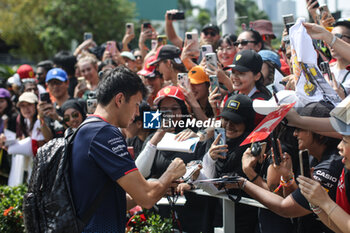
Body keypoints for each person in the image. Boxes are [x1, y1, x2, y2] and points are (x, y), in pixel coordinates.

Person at [70, 66, 186, 232]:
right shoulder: (105, 133)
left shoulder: (87, 129)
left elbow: (115, 201)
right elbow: (146, 198)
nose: (137, 112)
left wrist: (159, 185)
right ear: (119, 99)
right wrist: (171, 173)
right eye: (136, 104)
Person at [224, 102, 343, 233]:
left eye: (300, 129)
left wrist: (243, 182)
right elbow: (292, 198)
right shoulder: (310, 155)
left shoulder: (331, 165)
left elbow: (286, 208)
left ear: (319, 133)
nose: (294, 134)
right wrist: (287, 178)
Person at [298, 104, 350, 233]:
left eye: (345, 140)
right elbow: (340, 228)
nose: (339, 146)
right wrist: (316, 203)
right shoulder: (346, 168)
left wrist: (325, 201)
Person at [38, 68, 70, 140]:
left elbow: (77, 132)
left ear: (67, 83)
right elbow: (49, 139)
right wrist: (41, 118)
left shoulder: (76, 104)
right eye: (51, 84)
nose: (55, 86)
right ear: (47, 86)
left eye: (58, 83)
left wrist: (58, 118)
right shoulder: (50, 109)